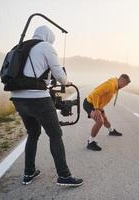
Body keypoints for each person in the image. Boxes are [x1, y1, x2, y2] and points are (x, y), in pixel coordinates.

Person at [10, 26, 83, 186]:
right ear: (49, 37)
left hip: (17, 98)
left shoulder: (19, 47)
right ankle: (64, 176)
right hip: (37, 99)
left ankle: (28, 172)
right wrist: (67, 82)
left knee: (33, 133)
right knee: (55, 135)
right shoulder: (45, 47)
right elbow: (59, 74)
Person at [83, 74, 131, 151]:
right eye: (124, 84)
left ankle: (111, 131)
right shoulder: (110, 85)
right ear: (121, 80)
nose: (124, 86)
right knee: (100, 121)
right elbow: (95, 94)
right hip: (90, 104)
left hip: (98, 105)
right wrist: (96, 109)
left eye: (126, 85)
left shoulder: (115, 86)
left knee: (104, 119)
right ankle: (90, 142)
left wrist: (100, 108)